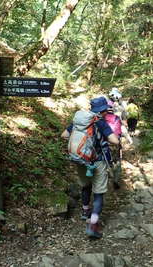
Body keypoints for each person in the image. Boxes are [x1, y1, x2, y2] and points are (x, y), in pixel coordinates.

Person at [61, 96, 119, 238]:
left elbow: (64, 135)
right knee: (99, 193)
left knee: (85, 185)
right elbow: (115, 141)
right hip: (97, 162)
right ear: (104, 110)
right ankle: (93, 225)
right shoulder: (100, 122)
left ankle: (85, 211)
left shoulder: (80, 121)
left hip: (81, 160)